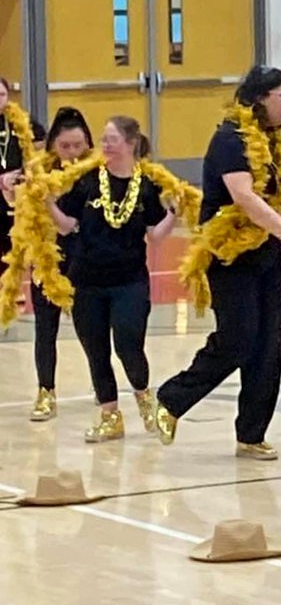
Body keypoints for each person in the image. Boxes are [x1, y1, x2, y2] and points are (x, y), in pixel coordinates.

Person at [154, 66, 281, 460]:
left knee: (270, 344)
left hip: (266, 256)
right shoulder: (230, 139)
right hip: (230, 255)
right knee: (239, 339)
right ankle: (172, 398)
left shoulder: (273, 142)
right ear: (261, 97)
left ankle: (251, 433)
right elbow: (245, 197)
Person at [46, 117, 178, 442]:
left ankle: (145, 396)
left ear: (130, 143)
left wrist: (175, 215)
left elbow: (156, 236)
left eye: (111, 139)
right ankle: (110, 416)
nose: (104, 145)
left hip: (129, 280)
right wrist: (47, 203)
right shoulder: (88, 179)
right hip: (87, 279)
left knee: (128, 343)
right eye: (103, 139)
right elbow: (66, 225)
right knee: (96, 350)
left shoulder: (146, 184)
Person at [28, 107, 94, 422]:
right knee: (45, 327)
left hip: (84, 257)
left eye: (77, 146)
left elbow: (70, 226)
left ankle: (103, 387)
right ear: (53, 144)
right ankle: (45, 390)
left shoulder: (96, 176)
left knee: (90, 327)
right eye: (64, 146)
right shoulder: (39, 171)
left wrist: (49, 204)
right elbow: (21, 207)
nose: (70, 153)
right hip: (45, 257)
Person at [0, 77, 45, 277]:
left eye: (1, 95)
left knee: (13, 241)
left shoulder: (19, 119)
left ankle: (10, 286)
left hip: (14, 190)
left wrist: (28, 168)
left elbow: (42, 141)